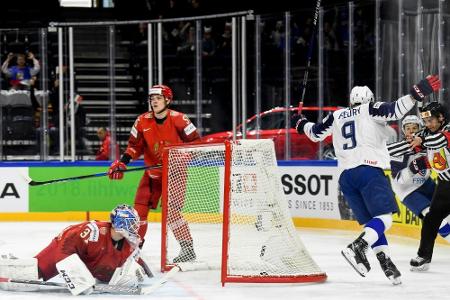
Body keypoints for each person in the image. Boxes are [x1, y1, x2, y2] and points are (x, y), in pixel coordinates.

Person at [292, 75, 441, 284]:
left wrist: (300, 123)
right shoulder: (370, 109)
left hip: (346, 177)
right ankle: (358, 247)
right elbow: (396, 109)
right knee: (386, 218)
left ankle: (386, 264)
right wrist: (415, 94)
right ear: (369, 99)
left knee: (374, 223)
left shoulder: (336, 115)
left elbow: (315, 133)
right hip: (369, 171)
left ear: (350, 100)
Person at [108, 84, 201, 263]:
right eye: (152, 99)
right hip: (151, 175)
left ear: (167, 100)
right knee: (139, 212)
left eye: (158, 98)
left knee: (172, 212)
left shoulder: (181, 119)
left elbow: (197, 144)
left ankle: (188, 249)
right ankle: (135, 248)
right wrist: (123, 163)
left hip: (175, 173)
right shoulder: (142, 121)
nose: (154, 101)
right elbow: (134, 147)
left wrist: (183, 157)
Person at [0, 204, 151, 295]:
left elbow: (125, 265)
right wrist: (76, 276)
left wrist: (139, 271)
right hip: (64, 250)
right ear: (119, 224)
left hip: (89, 261)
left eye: (135, 224)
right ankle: (6, 264)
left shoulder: (130, 243)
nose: (134, 228)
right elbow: (66, 244)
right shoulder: (93, 231)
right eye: (131, 224)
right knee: (31, 277)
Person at [387, 115, 450, 243]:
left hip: (426, 183)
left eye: (414, 127)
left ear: (420, 129)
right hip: (408, 191)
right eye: (408, 128)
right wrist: (413, 168)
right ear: (404, 130)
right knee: (433, 217)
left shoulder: (427, 143)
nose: (411, 131)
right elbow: (399, 179)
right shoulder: (399, 149)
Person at [405, 102, 450, 271]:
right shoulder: (428, 131)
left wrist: (420, 139)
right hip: (445, 184)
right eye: (425, 121)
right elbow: (422, 142)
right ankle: (424, 256)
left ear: (441, 118)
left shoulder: (447, 130)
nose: (427, 125)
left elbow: (439, 141)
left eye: (431, 120)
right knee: (431, 219)